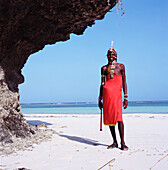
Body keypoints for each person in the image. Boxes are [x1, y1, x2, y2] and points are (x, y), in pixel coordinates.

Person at [98, 44, 128, 151]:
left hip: (117, 95)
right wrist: (100, 98)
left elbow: (124, 82)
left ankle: (123, 143)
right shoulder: (104, 68)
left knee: (119, 118)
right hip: (107, 96)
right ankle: (114, 142)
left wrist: (125, 97)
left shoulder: (121, 66)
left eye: (113, 54)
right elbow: (102, 84)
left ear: (116, 56)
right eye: (109, 54)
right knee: (110, 118)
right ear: (106, 56)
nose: (111, 56)